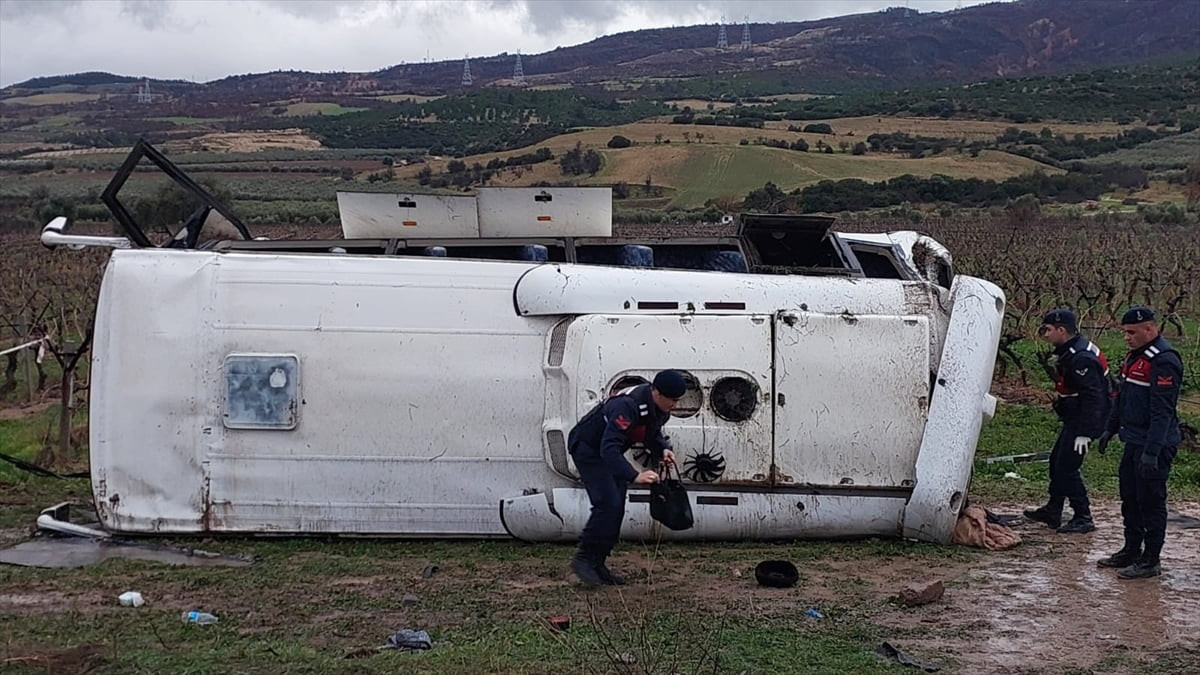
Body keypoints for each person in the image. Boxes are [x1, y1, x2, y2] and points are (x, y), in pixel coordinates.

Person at [566, 369, 685, 586]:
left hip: (607, 453)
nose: (675, 405)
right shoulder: (627, 406)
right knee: (607, 503)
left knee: (617, 505)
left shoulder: (659, 408)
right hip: (588, 448)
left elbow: (651, 433)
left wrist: (663, 450)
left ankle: (598, 563)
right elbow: (608, 448)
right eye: (672, 400)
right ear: (656, 392)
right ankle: (583, 559)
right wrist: (634, 475)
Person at [1096, 306, 1184, 579]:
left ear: (1150, 329)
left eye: (1132, 332)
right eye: (1124, 332)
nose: (1126, 337)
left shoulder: (1163, 360)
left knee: (1151, 501)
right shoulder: (1136, 357)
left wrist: (1152, 453)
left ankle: (1150, 559)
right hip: (1133, 439)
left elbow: (1162, 411)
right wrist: (1110, 428)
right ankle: (1131, 549)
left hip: (1153, 444)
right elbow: (1122, 396)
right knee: (1130, 498)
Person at [1023, 309, 1110, 534]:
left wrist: (1085, 432)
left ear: (1062, 330)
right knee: (1056, 461)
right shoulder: (1072, 351)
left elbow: (1094, 398)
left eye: (1048, 330)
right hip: (1075, 418)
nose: (1045, 335)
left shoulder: (1081, 358)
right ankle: (1054, 509)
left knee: (1068, 467)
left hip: (1084, 421)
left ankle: (1083, 516)